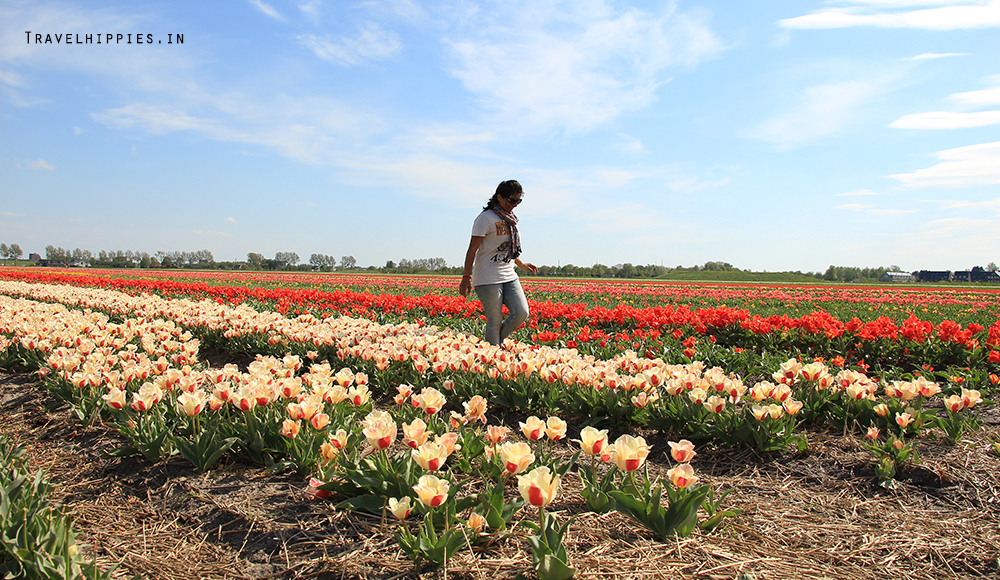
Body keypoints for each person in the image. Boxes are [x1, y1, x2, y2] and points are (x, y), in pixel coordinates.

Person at [459, 180, 538, 346]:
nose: (515, 205)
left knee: (521, 312)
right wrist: (466, 277)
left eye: (518, 201)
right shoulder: (485, 219)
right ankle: (493, 356)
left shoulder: (511, 219)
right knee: (494, 321)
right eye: (511, 200)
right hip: (487, 276)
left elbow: (507, 248)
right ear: (499, 197)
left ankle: (493, 345)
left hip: (508, 274)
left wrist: (521, 264)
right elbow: (472, 250)